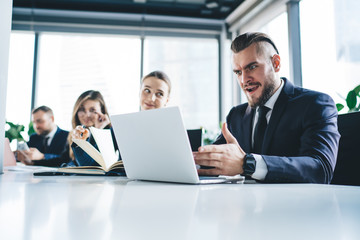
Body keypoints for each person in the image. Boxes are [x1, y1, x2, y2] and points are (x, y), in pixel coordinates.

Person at [193, 32, 340, 184]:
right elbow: (211, 160)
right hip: (246, 204)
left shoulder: (315, 104)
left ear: (276, 63)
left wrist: (248, 163)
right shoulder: (237, 115)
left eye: (252, 67)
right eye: (238, 72)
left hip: (295, 205)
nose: (244, 80)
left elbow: (321, 170)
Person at [21, 90, 116, 167]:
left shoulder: (111, 133)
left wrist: (99, 131)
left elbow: (91, 164)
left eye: (92, 110)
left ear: (102, 111)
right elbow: (65, 160)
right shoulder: (74, 134)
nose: (86, 115)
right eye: (82, 110)